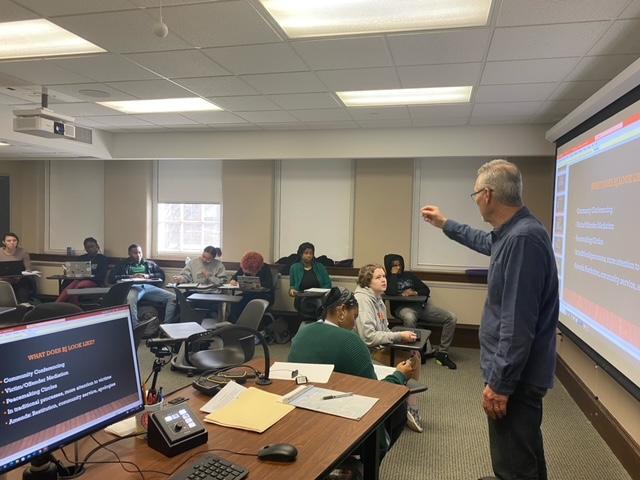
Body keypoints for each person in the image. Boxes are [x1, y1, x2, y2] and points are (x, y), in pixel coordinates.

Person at [421, 159, 559, 480]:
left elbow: (516, 323)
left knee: (514, 465)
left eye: (474, 195)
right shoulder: (512, 234)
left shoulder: (522, 240)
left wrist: (500, 383)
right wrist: (445, 224)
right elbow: (484, 241)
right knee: (524, 453)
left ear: (486, 194)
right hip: (517, 372)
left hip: (516, 376)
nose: (476, 201)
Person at [288, 287, 416, 457]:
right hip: (337, 426)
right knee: (399, 405)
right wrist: (400, 374)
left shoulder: (302, 333)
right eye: (354, 316)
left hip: (299, 419)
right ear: (341, 311)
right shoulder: (350, 341)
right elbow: (378, 393)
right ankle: (369, 463)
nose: (355, 323)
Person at [353, 263, 424, 432]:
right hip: (367, 352)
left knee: (414, 353)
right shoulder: (362, 300)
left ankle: (405, 400)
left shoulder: (379, 300)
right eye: (378, 277)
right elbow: (368, 337)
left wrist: (402, 338)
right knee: (411, 361)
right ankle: (406, 405)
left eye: (384, 276)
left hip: (380, 347)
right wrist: (398, 336)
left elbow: (383, 330)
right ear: (367, 281)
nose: (384, 280)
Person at [384, 253, 458, 369]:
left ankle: (442, 354)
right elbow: (391, 292)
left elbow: (426, 289)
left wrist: (414, 293)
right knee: (409, 318)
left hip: (421, 307)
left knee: (451, 317)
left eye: (399, 265)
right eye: (394, 266)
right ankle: (414, 354)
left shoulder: (409, 275)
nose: (398, 268)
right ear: (389, 267)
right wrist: (393, 275)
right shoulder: (386, 279)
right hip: (402, 308)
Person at [108, 244, 177, 326]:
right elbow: (111, 278)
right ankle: (135, 327)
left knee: (173, 298)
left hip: (148, 287)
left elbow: (161, 275)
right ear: (129, 254)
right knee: (131, 299)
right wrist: (130, 276)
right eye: (135, 253)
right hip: (132, 288)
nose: (138, 255)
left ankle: (166, 325)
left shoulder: (149, 264)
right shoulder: (122, 264)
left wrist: (148, 276)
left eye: (140, 253)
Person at [56, 237, 108, 303]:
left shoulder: (102, 259)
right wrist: (69, 272)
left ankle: (75, 304)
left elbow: (101, 275)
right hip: (80, 279)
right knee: (72, 284)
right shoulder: (82, 258)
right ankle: (56, 304)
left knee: (79, 284)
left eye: (92, 246)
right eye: (87, 247)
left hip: (95, 280)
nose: (90, 249)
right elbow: (75, 271)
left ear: (97, 246)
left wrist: (89, 276)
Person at [289, 242, 332, 320]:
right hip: (302, 299)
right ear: (301, 254)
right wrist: (292, 291)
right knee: (304, 306)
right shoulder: (294, 268)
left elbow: (328, 284)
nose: (309, 255)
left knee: (319, 306)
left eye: (311, 253)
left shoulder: (320, 267)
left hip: (319, 298)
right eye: (306, 253)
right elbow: (292, 285)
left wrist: (321, 292)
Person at [229, 251, 274, 321]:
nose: (248, 273)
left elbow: (268, 285)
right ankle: (236, 324)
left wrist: (259, 287)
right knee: (235, 301)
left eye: (251, 271)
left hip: (264, 295)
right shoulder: (245, 266)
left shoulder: (265, 268)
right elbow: (234, 278)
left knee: (245, 302)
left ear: (259, 267)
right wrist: (233, 281)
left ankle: (247, 324)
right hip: (248, 293)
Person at [0, 232, 35, 303]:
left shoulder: (22, 252)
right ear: (4, 242)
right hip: (2, 281)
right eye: (9, 241)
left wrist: (25, 273)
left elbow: (28, 268)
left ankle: (23, 308)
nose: (12, 242)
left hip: (19, 280)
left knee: (23, 294)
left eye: (14, 240)